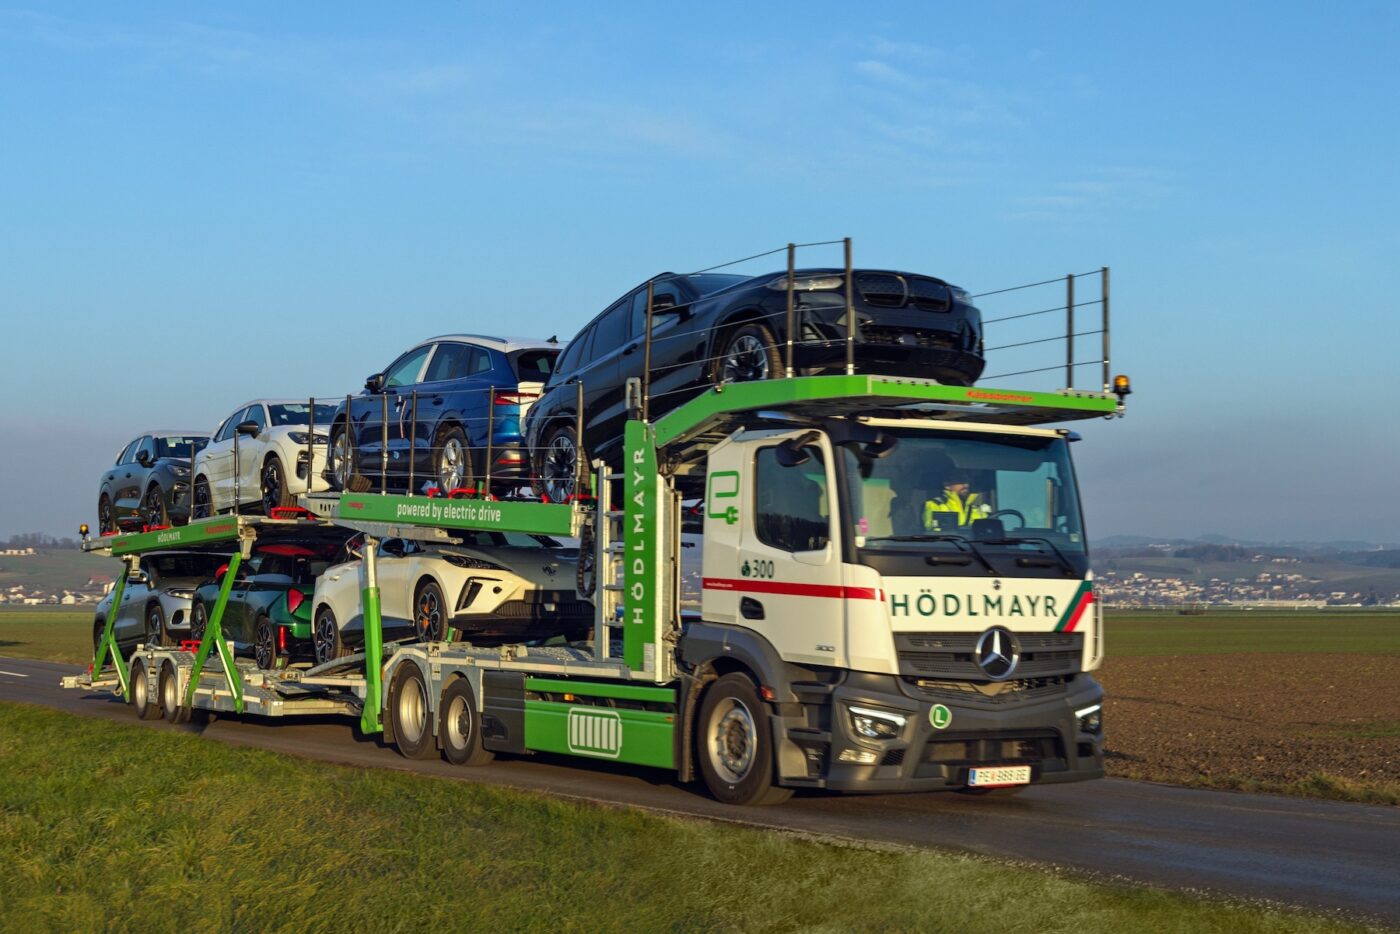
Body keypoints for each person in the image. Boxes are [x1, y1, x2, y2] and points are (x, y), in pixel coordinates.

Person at [924, 469, 991, 529]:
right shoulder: (934, 505)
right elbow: (933, 532)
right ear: (947, 485)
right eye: (961, 481)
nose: (966, 485)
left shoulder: (978, 510)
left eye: (967, 481)